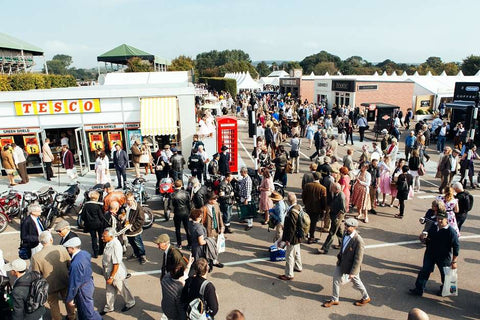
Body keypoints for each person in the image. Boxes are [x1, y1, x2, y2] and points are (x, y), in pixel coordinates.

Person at [322, 218, 371, 308]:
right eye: (345, 225)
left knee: (357, 283)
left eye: (348, 226)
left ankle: (366, 297)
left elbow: (358, 259)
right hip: (342, 263)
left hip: (351, 267)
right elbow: (343, 248)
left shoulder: (358, 241)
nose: (345, 227)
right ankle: (335, 299)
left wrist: (353, 272)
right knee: (336, 279)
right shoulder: (345, 234)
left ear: (354, 227)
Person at [409, 212, 459, 297]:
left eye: (441, 219)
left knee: (446, 275)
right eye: (438, 218)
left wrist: (454, 261)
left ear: (446, 220)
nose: (439, 221)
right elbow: (428, 238)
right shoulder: (433, 227)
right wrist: (423, 238)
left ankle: (446, 290)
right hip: (430, 253)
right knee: (425, 271)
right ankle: (419, 289)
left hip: (443, 257)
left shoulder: (451, 232)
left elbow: (456, 246)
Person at [31, 231, 75, 320]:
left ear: (41, 242)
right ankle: (72, 317)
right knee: (68, 300)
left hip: (49, 285)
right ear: (51, 239)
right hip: (64, 280)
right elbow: (69, 264)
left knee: (53, 304)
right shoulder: (62, 248)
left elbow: (36, 274)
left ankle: (57, 318)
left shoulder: (36, 257)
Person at [63, 237, 102, 320]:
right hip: (88, 283)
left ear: (72, 248)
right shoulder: (85, 253)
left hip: (82, 289)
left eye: (67, 248)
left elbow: (74, 284)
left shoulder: (75, 265)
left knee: (87, 312)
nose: (67, 250)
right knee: (84, 308)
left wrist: (70, 299)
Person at [100, 228, 136, 315]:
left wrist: (112, 277)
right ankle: (109, 307)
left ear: (111, 236)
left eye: (104, 236)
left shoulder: (115, 246)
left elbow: (116, 264)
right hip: (108, 271)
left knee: (122, 289)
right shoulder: (109, 243)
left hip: (116, 273)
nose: (102, 238)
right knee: (109, 290)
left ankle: (130, 302)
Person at [278, 192, 303, 281]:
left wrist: (288, 239)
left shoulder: (292, 211)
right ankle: (298, 266)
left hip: (292, 237)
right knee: (297, 252)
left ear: (288, 200)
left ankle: (289, 274)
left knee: (289, 256)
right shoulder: (299, 207)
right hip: (298, 236)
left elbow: (292, 227)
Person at [318, 183, 346, 255]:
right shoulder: (335, 194)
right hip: (333, 214)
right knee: (339, 231)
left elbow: (343, 210)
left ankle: (325, 248)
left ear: (336, 189)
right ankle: (342, 244)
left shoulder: (341, 196)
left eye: (332, 188)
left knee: (332, 233)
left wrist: (337, 218)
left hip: (337, 217)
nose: (330, 189)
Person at [302, 172, 327, 244]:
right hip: (317, 209)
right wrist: (323, 209)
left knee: (306, 221)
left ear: (313, 177)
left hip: (308, 207)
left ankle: (306, 233)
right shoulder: (323, 188)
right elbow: (323, 201)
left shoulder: (307, 185)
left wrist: (305, 203)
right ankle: (311, 237)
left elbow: (303, 196)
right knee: (313, 223)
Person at [125, 192, 147, 264]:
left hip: (135, 230)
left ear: (133, 198)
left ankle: (142, 256)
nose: (129, 202)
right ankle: (136, 254)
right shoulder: (125, 206)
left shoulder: (138, 208)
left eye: (131, 200)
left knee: (138, 243)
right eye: (128, 200)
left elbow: (141, 220)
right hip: (127, 230)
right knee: (132, 243)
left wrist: (132, 228)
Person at [81, 190, 105, 258]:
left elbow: (83, 216)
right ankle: (101, 250)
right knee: (100, 237)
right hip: (99, 224)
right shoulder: (98, 206)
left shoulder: (86, 205)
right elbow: (101, 216)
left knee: (93, 238)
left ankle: (95, 252)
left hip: (90, 224)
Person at [171, 179, 192, 249]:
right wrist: (189, 211)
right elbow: (189, 203)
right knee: (187, 228)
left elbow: (172, 205)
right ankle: (190, 244)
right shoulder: (186, 193)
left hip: (177, 212)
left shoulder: (173, 194)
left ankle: (179, 244)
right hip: (185, 211)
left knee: (177, 229)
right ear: (181, 185)